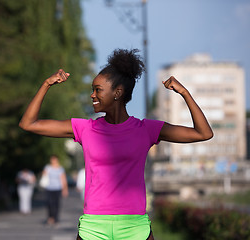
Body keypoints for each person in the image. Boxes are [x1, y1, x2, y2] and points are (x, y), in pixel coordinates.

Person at [19, 49, 213, 240]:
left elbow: (203, 133)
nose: (92, 95)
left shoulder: (146, 129)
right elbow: (28, 123)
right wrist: (46, 84)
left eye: (98, 90)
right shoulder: (85, 128)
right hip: (93, 226)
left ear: (117, 93)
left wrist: (184, 93)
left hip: (134, 227)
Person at [41, 155, 68, 225]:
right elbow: (43, 175)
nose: (53, 161)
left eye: (54, 159)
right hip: (49, 188)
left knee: (56, 203)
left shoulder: (60, 169)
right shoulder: (48, 167)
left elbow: (63, 179)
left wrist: (65, 189)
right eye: (52, 159)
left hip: (57, 188)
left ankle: (55, 218)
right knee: (49, 203)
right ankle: (50, 217)